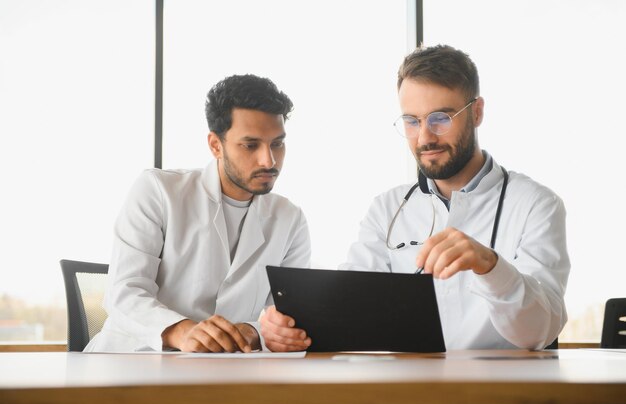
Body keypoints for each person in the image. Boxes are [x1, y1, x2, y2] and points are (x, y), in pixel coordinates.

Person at [261, 44, 569, 352]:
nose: (424, 137)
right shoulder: (388, 209)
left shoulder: (535, 204)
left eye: (441, 119)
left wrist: (490, 266)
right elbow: (351, 308)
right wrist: (286, 326)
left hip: (496, 394)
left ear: (476, 112)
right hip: (408, 393)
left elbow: (539, 331)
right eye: (412, 121)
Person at [85, 74, 311, 353]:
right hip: (129, 362)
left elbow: (285, 316)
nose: (269, 160)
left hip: (227, 370)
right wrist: (182, 332)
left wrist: (253, 331)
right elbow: (123, 293)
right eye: (250, 145)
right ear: (216, 145)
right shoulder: (158, 191)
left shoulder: (291, 219)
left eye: (277, 143)